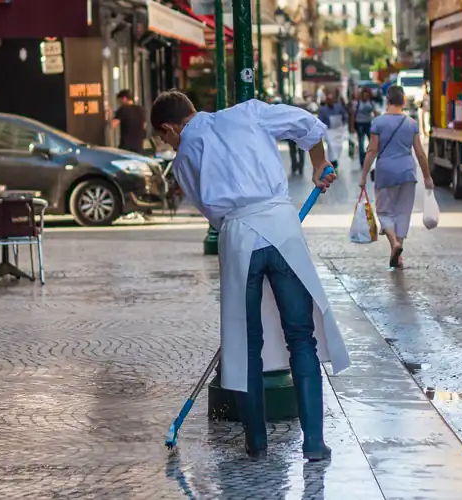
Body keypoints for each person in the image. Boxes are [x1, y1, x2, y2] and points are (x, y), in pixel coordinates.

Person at [149, 90, 351, 461]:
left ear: (169, 127)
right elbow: (307, 125)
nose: (168, 144)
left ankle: (256, 442)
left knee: (246, 345)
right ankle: (314, 443)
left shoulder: (183, 161)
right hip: (282, 229)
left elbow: (213, 216)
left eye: (164, 138)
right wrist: (318, 164)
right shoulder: (249, 113)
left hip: (238, 238)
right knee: (301, 338)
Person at [358, 86, 434, 269]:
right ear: (403, 101)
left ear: (388, 100)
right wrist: (427, 176)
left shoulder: (378, 122)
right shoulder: (411, 123)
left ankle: (394, 243)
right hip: (408, 172)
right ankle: (398, 255)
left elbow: (372, 151)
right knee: (403, 212)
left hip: (386, 172)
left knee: (384, 211)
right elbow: (421, 153)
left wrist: (363, 176)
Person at [317, 89, 350, 168]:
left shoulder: (338, 107)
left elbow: (345, 115)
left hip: (338, 129)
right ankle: (332, 161)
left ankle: (336, 159)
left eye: (331, 100)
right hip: (329, 130)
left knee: (338, 146)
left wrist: (344, 122)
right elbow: (320, 120)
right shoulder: (323, 109)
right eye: (328, 100)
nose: (330, 102)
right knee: (331, 146)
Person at [113, 89, 147, 154]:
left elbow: (113, 125)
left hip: (125, 147)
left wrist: (109, 116)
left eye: (119, 101)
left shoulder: (122, 109)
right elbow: (144, 126)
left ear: (124, 98)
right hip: (138, 146)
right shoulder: (141, 110)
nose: (119, 103)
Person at [353, 88, 377, 165]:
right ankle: (362, 160)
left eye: (367, 96)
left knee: (371, 142)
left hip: (368, 123)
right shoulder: (357, 103)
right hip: (359, 124)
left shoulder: (371, 103)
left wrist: (377, 123)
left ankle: (368, 156)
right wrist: (352, 126)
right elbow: (353, 115)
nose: (365, 97)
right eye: (364, 95)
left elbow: (375, 112)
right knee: (361, 142)